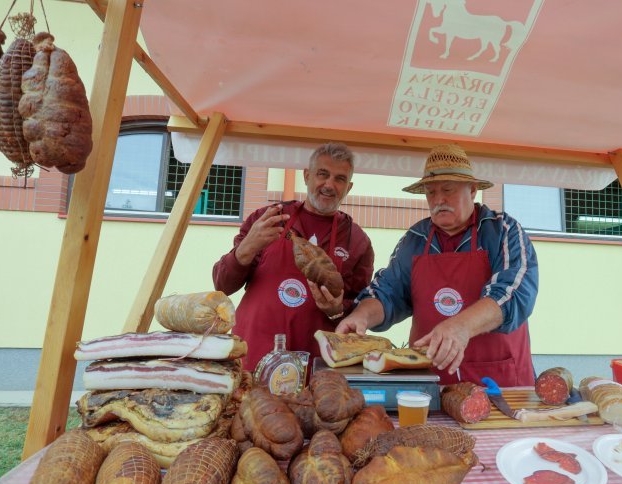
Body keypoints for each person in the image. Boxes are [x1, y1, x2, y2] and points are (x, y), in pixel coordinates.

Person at [337, 144, 538, 386]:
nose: (439, 199)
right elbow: (388, 292)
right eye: (431, 192)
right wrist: (361, 316)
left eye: (448, 189)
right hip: (431, 382)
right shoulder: (416, 238)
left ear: (472, 190)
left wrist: (461, 327)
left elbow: (514, 294)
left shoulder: (502, 231)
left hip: (498, 382)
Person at [213, 142, 374, 372]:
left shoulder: (357, 240)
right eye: (322, 174)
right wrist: (247, 247)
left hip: (316, 364)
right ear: (307, 176)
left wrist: (336, 310)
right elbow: (222, 284)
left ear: (348, 187)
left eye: (339, 179)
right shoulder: (269, 218)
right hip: (256, 352)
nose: (329, 184)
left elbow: (356, 310)